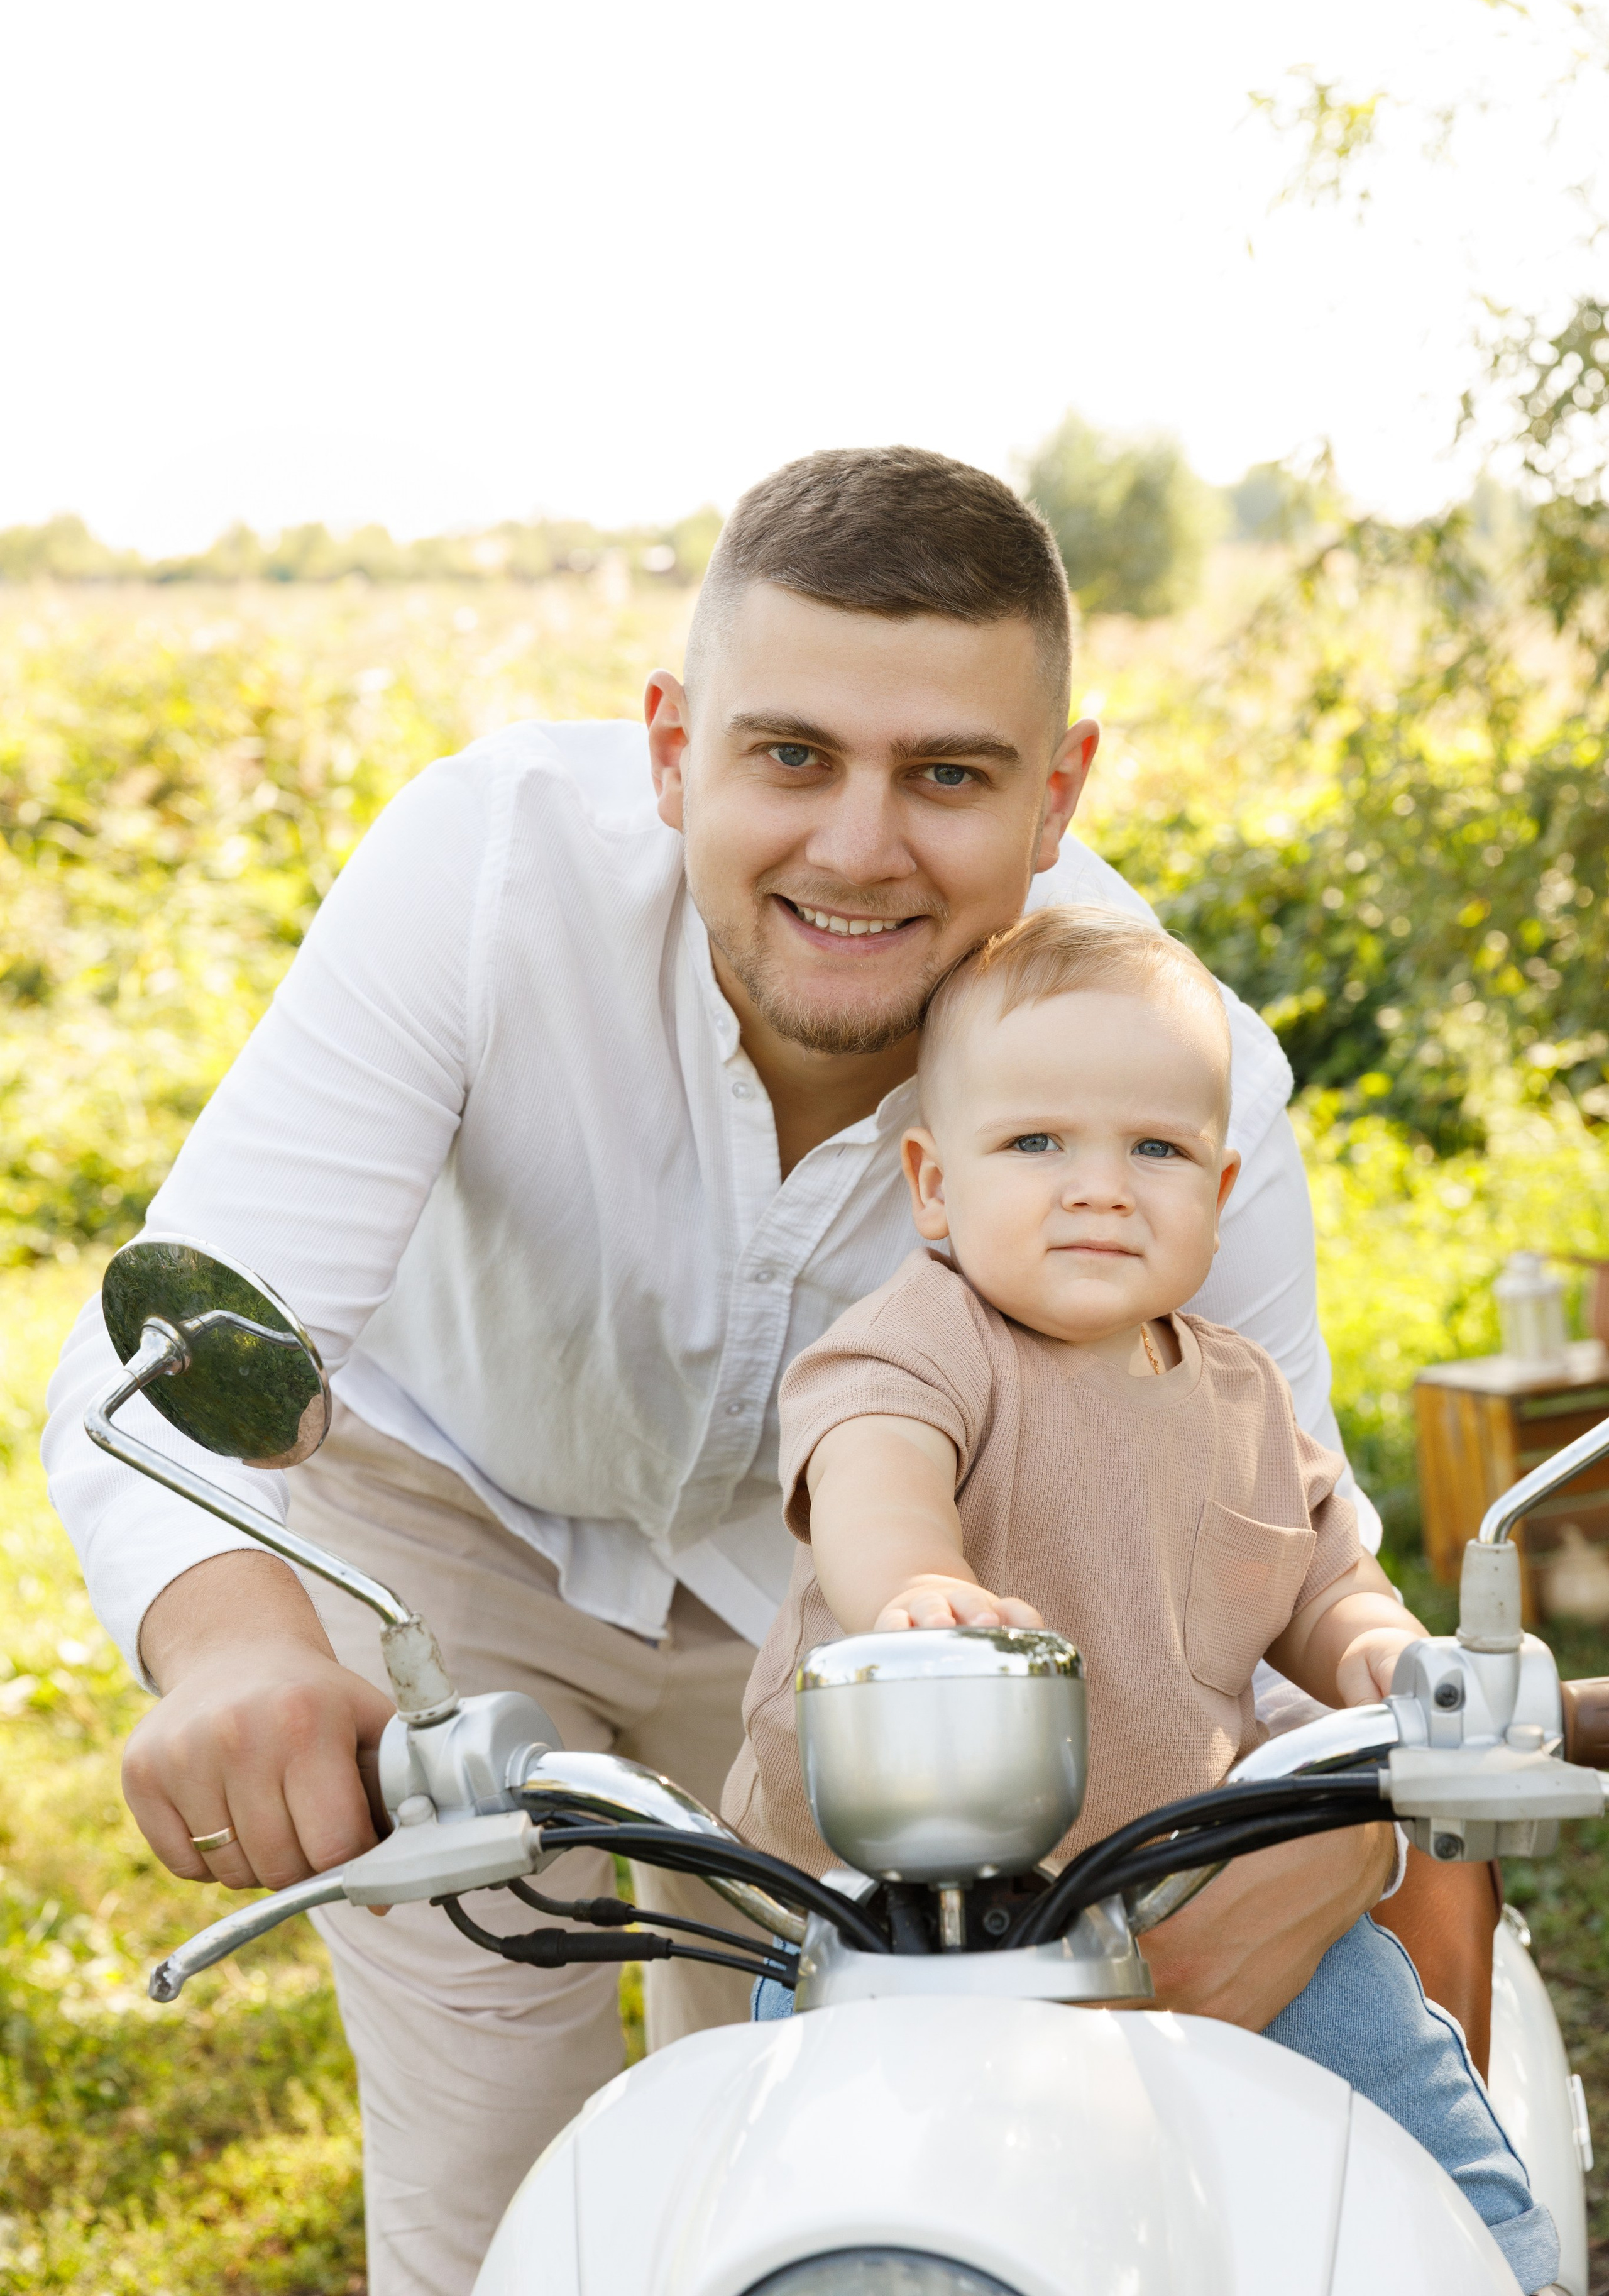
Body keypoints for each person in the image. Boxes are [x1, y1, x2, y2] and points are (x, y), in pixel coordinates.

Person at [45, 446, 1398, 2296]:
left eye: (947, 775)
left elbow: (1280, 1538)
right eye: (790, 757)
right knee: (496, 2200)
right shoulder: (485, 864)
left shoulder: (1173, 1077)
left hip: (860, 1636)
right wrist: (237, 1640)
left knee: (817, 2161)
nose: (858, 845)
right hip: (442, 1558)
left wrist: (1332, 1809)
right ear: (673, 744)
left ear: (1059, 794)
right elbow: (159, 1348)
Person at [727, 903, 1557, 2293]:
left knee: (1423, 2170)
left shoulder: (1237, 1391)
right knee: (843, 2217)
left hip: (1192, 1890)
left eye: (1154, 1149)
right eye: (1036, 1143)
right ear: (933, 1185)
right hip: (897, 1925)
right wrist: (919, 1586)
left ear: (1217, 1191)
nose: (1099, 1187)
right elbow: (874, 1485)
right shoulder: (918, 1344)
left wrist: (1382, 1657)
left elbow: (1320, 1578)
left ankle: (1506, 2271)